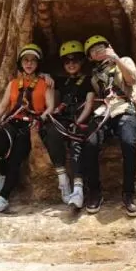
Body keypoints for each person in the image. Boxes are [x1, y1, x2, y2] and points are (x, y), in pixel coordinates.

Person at [0, 43, 54, 213]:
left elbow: (50, 107)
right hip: (13, 121)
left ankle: (3, 197)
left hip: (30, 124)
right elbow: (3, 105)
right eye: (26, 60)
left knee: (16, 158)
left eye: (33, 61)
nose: (29, 64)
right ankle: (2, 173)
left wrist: (40, 119)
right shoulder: (13, 84)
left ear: (38, 64)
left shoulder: (45, 83)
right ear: (21, 63)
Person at [81, 34, 136, 216]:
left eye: (101, 47)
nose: (98, 51)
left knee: (129, 143)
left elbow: (132, 80)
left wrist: (114, 58)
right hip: (104, 112)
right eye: (93, 50)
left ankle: (129, 193)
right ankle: (94, 192)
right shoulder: (94, 77)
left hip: (124, 108)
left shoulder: (124, 61)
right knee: (90, 143)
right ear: (90, 57)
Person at [40, 40, 96, 209]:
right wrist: (46, 76)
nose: (71, 64)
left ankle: (78, 187)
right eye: (67, 61)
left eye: (75, 60)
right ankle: (63, 178)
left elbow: (90, 102)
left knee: (77, 138)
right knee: (50, 131)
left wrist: (79, 121)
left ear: (82, 61)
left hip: (80, 116)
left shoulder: (89, 80)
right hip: (63, 117)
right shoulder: (61, 81)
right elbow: (42, 76)